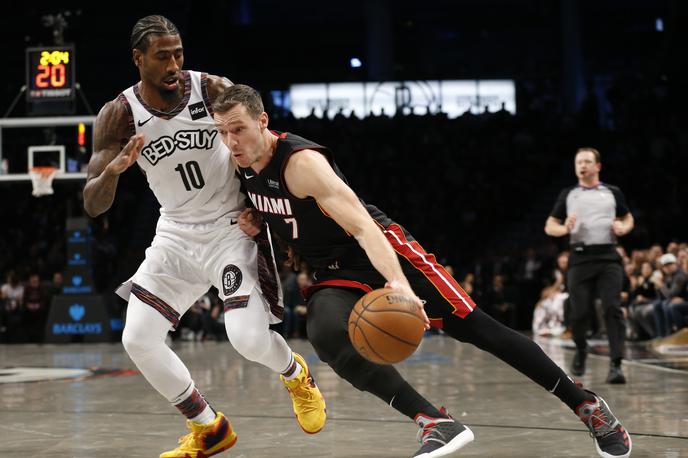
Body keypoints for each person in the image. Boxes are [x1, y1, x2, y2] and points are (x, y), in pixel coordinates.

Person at [213, 84, 632, 458]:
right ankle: (436, 423)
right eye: (223, 132)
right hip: (334, 271)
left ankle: (588, 406)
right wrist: (259, 220)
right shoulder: (241, 163)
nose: (231, 141)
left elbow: (362, 225)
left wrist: (398, 283)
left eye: (238, 129)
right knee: (324, 334)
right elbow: (285, 210)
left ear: (262, 121)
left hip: (380, 249)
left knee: (477, 328)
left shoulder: (301, 162)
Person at [82, 16, 325, 458]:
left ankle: (295, 374)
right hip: (175, 232)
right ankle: (208, 427)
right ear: (139, 59)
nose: (174, 63)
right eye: (162, 56)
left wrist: (266, 210)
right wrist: (115, 172)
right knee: (136, 338)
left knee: (248, 339)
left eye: (178, 53)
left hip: (230, 228)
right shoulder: (117, 115)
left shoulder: (212, 89)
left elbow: (258, 146)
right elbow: (92, 203)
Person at [545, 147, 634, 384]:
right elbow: (549, 225)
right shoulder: (569, 194)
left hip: (608, 256)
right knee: (580, 312)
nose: (582, 166)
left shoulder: (612, 192)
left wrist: (623, 227)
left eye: (587, 161)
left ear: (598, 166)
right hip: (580, 257)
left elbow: (627, 217)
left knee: (612, 309)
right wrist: (564, 228)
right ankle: (582, 348)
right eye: (578, 162)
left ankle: (616, 365)